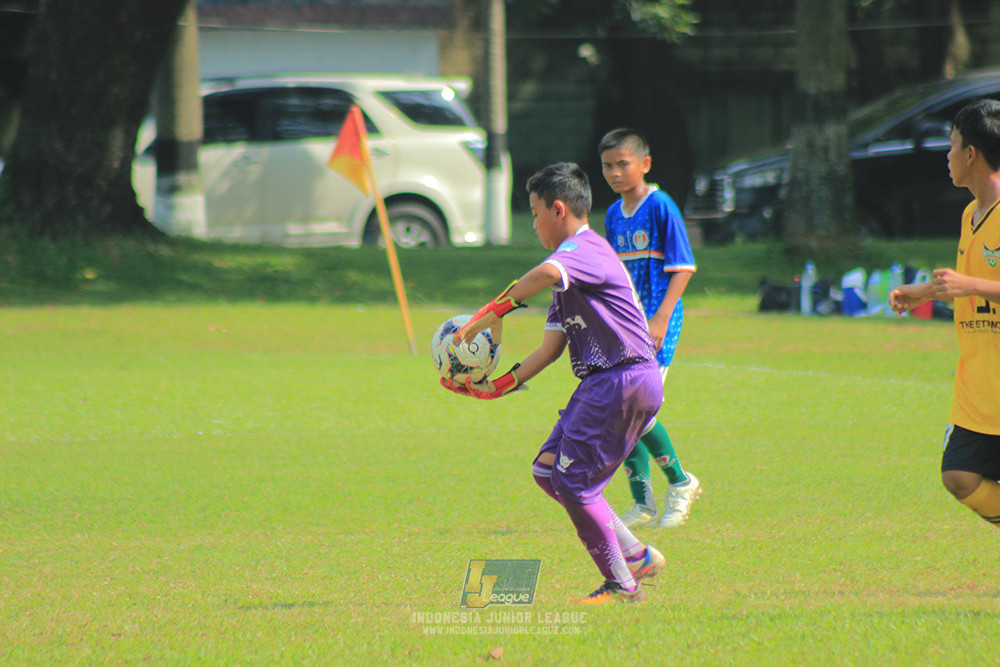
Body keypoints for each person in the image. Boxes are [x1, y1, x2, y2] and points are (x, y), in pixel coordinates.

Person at [441, 162, 667, 603]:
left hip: (620, 379)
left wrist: (493, 312)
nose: (533, 223)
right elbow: (548, 351)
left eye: (534, 212)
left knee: (575, 486)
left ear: (558, 209)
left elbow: (544, 273)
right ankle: (635, 556)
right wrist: (494, 387)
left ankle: (623, 585)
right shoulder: (569, 277)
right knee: (547, 471)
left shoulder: (584, 249)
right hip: (605, 383)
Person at [890, 99, 1000, 527]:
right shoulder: (971, 214)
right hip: (979, 384)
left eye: (951, 145)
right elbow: (973, 280)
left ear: (971, 154)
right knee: (959, 475)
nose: (947, 155)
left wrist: (969, 286)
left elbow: (974, 284)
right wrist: (925, 292)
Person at [597, 128, 701, 529]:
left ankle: (681, 482)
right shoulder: (612, 214)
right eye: (607, 166)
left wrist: (660, 318)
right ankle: (642, 504)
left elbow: (683, 268)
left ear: (645, 164)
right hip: (624, 325)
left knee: (635, 406)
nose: (615, 172)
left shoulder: (660, 206)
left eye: (623, 164)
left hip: (658, 322)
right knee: (619, 411)